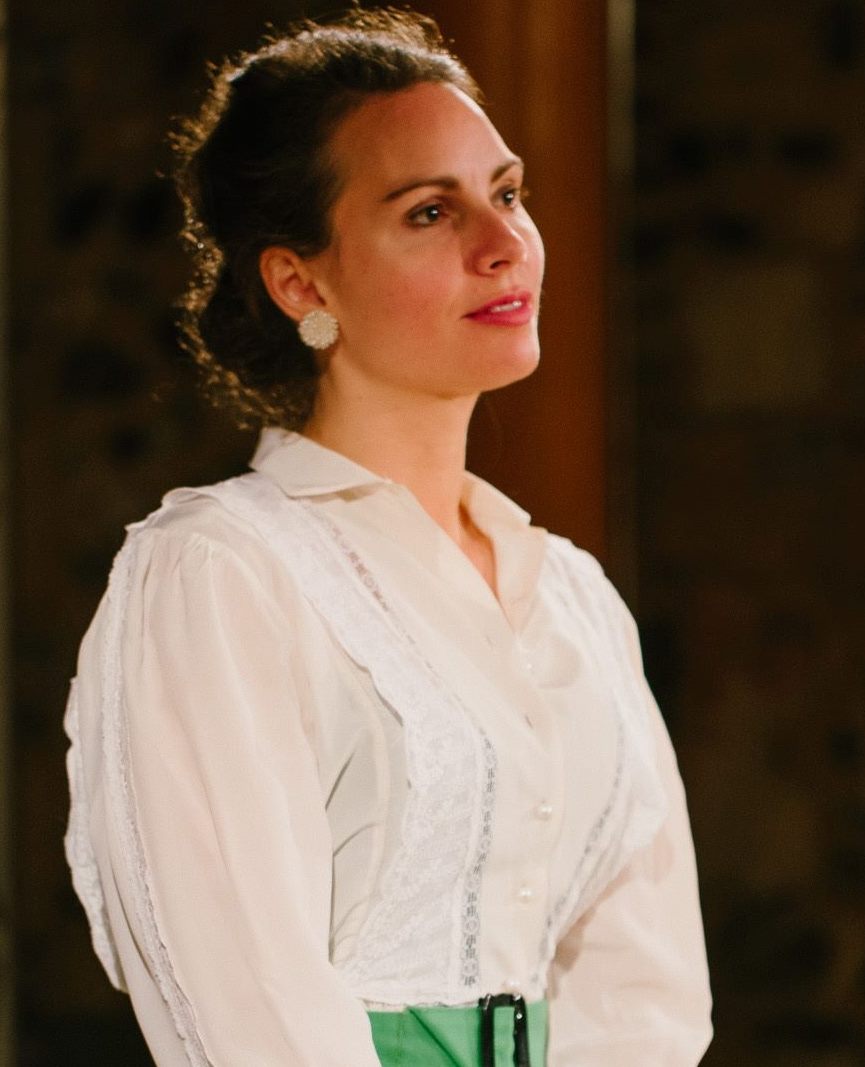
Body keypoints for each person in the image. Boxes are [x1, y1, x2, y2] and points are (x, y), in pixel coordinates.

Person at [63, 7, 712, 1066]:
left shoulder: (572, 598)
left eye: (507, 194)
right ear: (300, 282)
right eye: (429, 212)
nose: (502, 245)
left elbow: (644, 987)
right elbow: (244, 1001)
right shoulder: (222, 574)